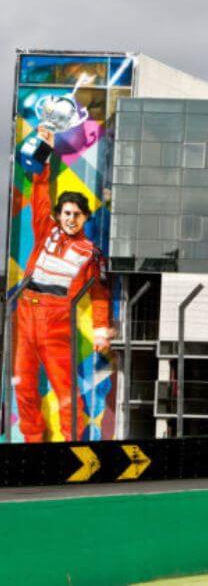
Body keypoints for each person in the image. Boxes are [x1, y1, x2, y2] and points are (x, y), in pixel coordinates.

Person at [13, 124, 111, 442]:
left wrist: (100, 329)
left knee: (65, 389)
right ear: (59, 214)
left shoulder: (90, 252)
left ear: (84, 218)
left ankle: (70, 446)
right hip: (26, 311)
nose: (71, 218)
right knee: (23, 384)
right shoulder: (46, 230)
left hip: (58, 318)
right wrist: (46, 147)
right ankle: (31, 443)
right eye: (66, 212)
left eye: (77, 214)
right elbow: (41, 186)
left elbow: (99, 292)